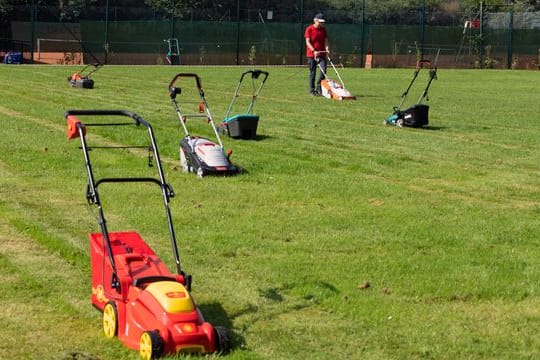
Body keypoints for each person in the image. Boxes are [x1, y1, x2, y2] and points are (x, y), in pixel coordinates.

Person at [305, 13, 330, 96]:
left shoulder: (323, 29)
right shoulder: (309, 29)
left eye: (322, 22)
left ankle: (319, 87)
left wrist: (327, 49)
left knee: (323, 71)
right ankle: (312, 91)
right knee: (313, 73)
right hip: (312, 55)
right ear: (315, 20)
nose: (321, 24)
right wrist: (313, 50)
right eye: (320, 22)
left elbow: (326, 40)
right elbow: (307, 42)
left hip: (322, 54)